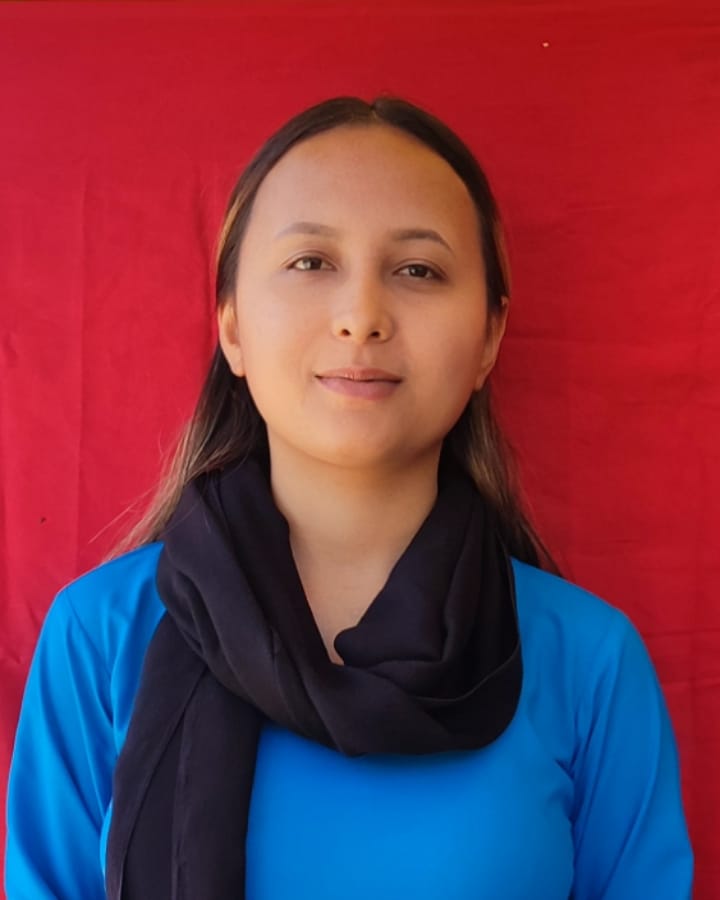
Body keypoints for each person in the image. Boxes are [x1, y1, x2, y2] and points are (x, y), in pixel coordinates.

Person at [5, 95, 693, 900]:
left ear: (489, 337)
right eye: (310, 262)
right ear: (231, 323)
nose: (362, 317)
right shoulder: (100, 637)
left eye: (418, 270)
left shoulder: (589, 662)